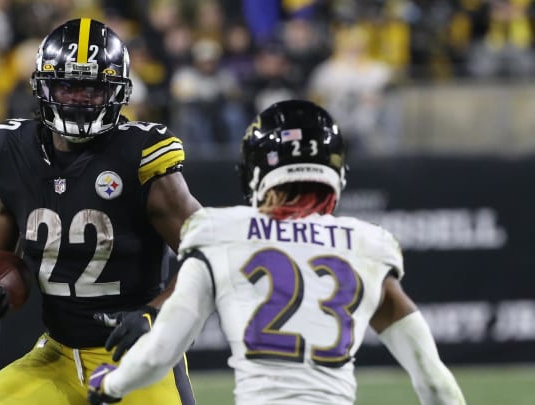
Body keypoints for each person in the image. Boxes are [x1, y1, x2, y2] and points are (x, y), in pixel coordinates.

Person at [87, 99, 466, 405]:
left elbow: (161, 352)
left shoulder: (220, 233)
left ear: (254, 170)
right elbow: (435, 384)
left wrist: (111, 384)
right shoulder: (368, 245)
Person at [0, 18, 201, 405]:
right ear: (42, 86)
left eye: (93, 89)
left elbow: (210, 255)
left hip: (135, 357)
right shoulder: (8, 151)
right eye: (67, 85)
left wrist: (158, 315)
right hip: (58, 352)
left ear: (118, 92)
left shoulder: (142, 156)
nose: (78, 98)